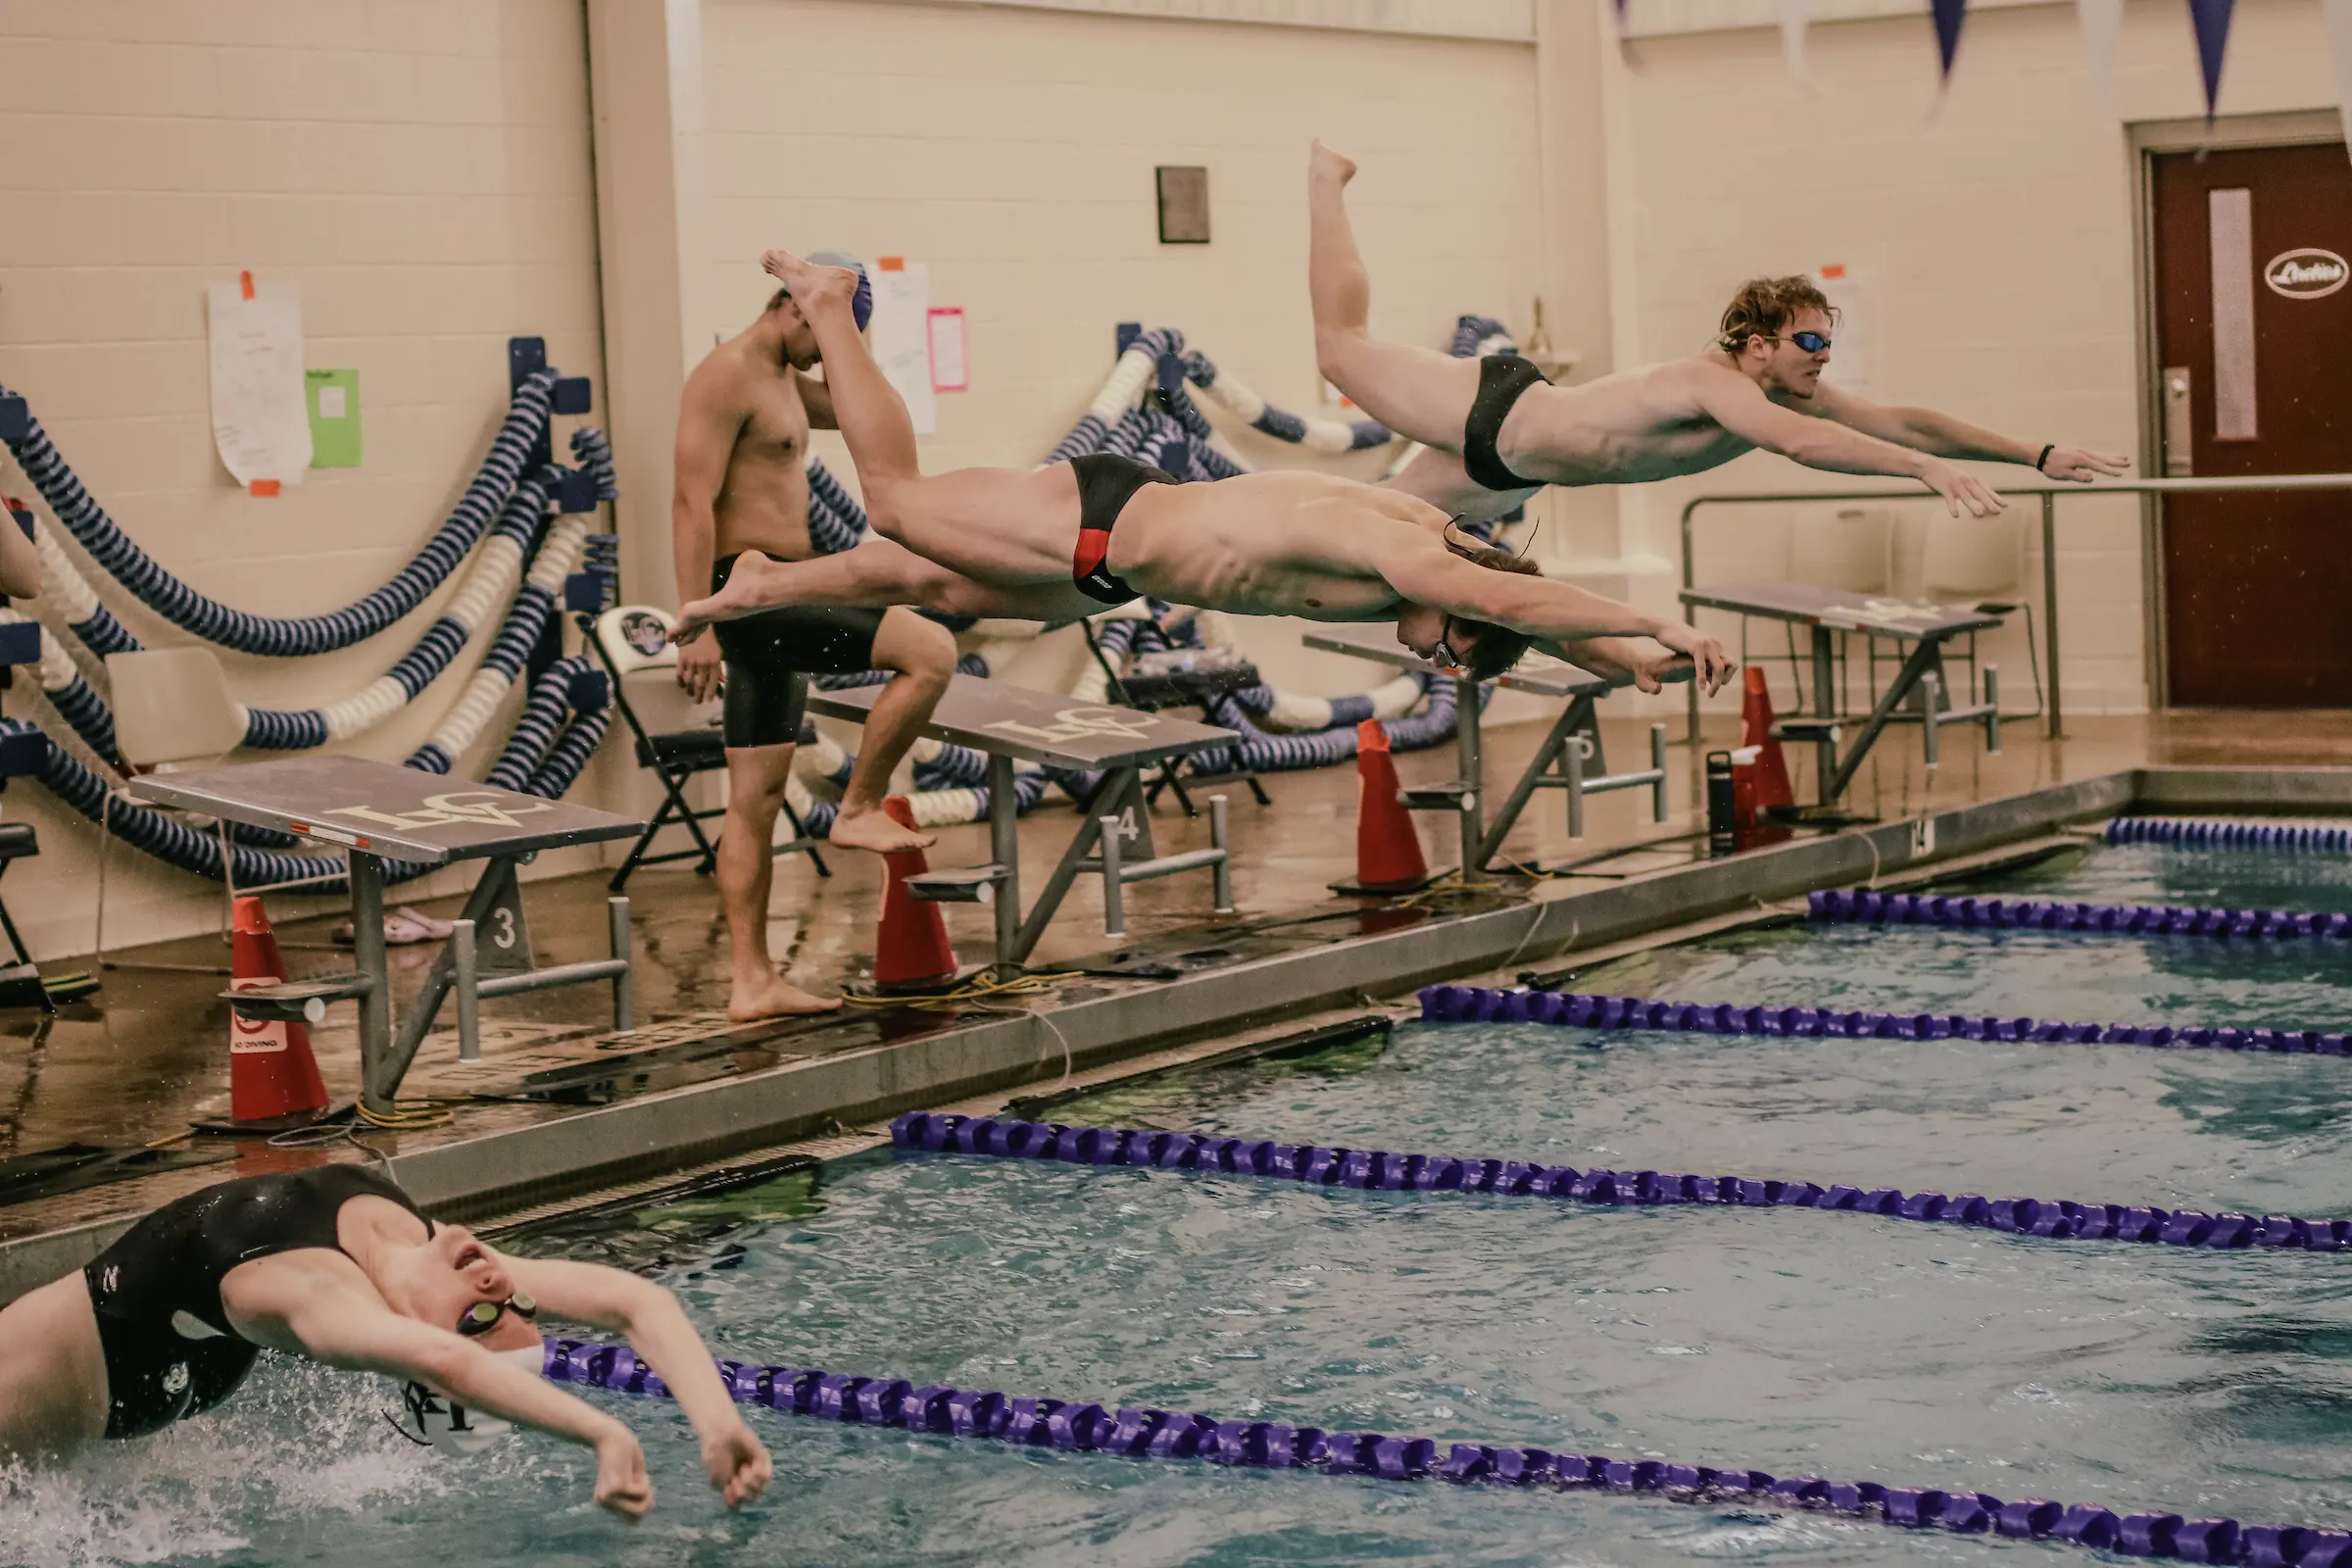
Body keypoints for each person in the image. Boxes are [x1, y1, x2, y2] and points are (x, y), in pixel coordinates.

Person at [673, 252, 1736, 701]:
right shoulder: (1410, 551)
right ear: (1458, 620)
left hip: (1114, 566)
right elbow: (1508, 597)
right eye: (1456, 662)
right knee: (898, 501)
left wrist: (1621, 662)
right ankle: (829, 298)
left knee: (940, 596)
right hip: (1094, 517)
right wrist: (1665, 625)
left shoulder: (1420, 570)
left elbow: (1527, 615)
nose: (1441, 668)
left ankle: (764, 583)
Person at [1305, 142, 2130, 526]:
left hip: (1512, 475)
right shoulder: (1712, 384)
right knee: (1340, 347)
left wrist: (2037, 453)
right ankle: (1326, 175)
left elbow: (1907, 420)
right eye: (1809, 342)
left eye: (1827, 342)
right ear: (1758, 342)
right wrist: (1924, 472)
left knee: (1351, 525)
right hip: (1489, 411)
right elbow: (1802, 447)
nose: (1824, 357)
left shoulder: (1777, 386)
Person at [0, 1162, 769, 1519]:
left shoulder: (319, 1299)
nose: (501, 1288)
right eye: (520, 1304)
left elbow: (446, 1362)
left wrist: (603, 1433)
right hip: (176, 1356)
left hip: (60, 1380)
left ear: (414, 1341)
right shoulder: (430, 1254)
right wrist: (719, 1422)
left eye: (481, 1321)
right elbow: (637, 1301)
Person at [673, 262, 961, 1020]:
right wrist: (696, 617)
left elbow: (870, 412)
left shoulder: (779, 379)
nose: (824, 350)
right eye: (822, 330)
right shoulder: (726, 374)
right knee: (930, 651)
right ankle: (860, 804)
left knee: (754, 800)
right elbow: (688, 502)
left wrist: (843, 338)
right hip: (748, 593)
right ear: (789, 308)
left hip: (771, 590)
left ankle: (752, 983)